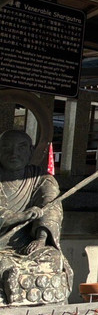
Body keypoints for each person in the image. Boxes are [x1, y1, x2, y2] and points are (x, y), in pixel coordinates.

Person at [0, 129, 72, 304]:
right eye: (6, 147)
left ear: (31, 151)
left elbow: (51, 209)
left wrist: (41, 238)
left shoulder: (42, 179)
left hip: (28, 246)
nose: (13, 153)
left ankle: (18, 284)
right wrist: (20, 215)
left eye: (21, 147)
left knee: (53, 259)